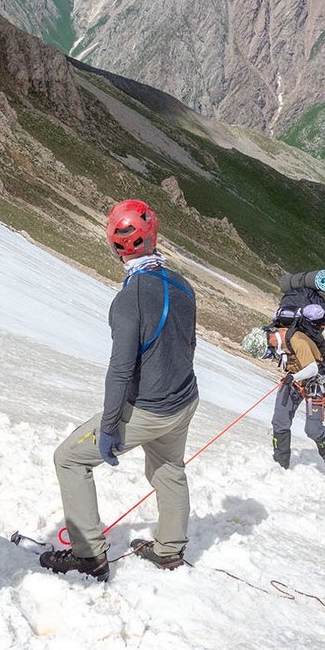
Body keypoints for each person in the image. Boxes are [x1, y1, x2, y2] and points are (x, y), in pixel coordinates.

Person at [40, 200, 200, 580]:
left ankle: (89, 556)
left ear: (114, 248)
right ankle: (169, 550)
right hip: (184, 400)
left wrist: (110, 426)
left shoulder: (129, 299)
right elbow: (188, 343)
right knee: (168, 469)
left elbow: (121, 370)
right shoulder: (182, 284)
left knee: (70, 459)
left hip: (148, 409)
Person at [271, 304, 325, 472]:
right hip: (294, 381)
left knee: (313, 429)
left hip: (316, 383)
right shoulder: (285, 337)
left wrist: (293, 377)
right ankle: (280, 464)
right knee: (280, 421)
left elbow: (312, 369)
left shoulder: (298, 340)